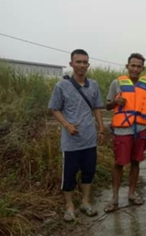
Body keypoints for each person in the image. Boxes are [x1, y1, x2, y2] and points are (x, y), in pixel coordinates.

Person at [48, 49, 105, 221]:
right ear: (71, 64)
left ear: (88, 64)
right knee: (70, 174)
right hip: (71, 141)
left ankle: (85, 202)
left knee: (89, 172)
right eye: (78, 62)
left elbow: (97, 108)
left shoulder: (93, 85)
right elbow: (54, 109)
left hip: (89, 139)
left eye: (84, 62)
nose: (81, 65)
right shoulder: (62, 86)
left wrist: (101, 128)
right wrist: (67, 125)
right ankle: (69, 205)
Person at [104, 53, 146, 213]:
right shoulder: (117, 83)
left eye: (138, 66)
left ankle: (132, 193)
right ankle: (114, 198)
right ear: (127, 66)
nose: (135, 69)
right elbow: (107, 106)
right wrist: (115, 102)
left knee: (136, 162)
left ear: (142, 68)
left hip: (140, 130)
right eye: (132, 65)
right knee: (119, 163)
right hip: (122, 130)